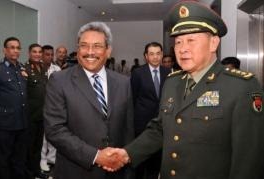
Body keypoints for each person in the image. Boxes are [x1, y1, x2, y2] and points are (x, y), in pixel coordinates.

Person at [103, 1, 264, 179]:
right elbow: (160, 129)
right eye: (178, 42)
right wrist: (127, 154)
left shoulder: (241, 87)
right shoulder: (173, 82)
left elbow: (248, 162)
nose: (183, 48)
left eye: (191, 40)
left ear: (213, 43)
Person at [43, 21, 134, 179]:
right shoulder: (59, 80)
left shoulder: (123, 82)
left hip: (116, 171)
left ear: (108, 51)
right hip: (75, 172)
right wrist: (96, 156)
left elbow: (128, 130)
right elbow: (55, 130)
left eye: (97, 46)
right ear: (78, 50)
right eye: (84, 46)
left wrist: (126, 164)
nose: (90, 52)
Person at [0, 37, 29, 179]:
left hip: (21, 122)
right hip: (3, 123)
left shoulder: (21, 67)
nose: (15, 50)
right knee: (2, 160)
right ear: (4, 50)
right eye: (11, 47)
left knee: (19, 158)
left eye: (18, 47)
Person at [131, 42, 170, 179]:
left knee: (157, 158)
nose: (155, 57)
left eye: (158, 53)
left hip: (161, 123)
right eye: (151, 54)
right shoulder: (138, 73)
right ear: (146, 56)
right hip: (142, 123)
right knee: (141, 159)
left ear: (162, 55)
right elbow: (133, 98)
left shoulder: (168, 72)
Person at [24, 43, 48, 179]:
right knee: (29, 147)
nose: (38, 54)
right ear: (29, 53)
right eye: (34, 52)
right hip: (30, 116)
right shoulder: (24, 69)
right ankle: (28, 173)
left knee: (38, 147)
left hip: (41, 115)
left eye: (40, 52)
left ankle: (36, 172)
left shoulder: (43, 68)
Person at [40, 45, 60, 173]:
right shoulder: (37, 68)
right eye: (47, 54)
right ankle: (42, 159)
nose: (50, 57)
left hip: (54, 105)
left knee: (53, 133)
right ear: (42, 55)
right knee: (43, 136)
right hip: (41, 106)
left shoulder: (56, 69)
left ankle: (51, 158)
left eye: (51, 54)